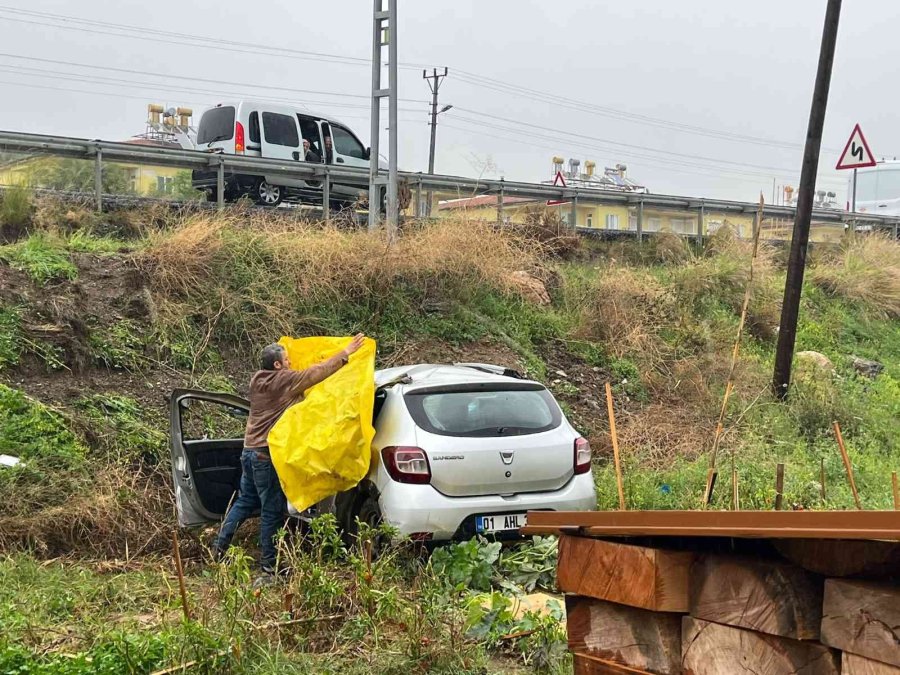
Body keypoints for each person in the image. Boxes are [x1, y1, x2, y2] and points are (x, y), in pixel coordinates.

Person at [213, 333, 366, 574]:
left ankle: (218, 550)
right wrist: (346, 352)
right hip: (265, 455)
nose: (290, 363)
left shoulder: (256, 381)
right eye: (286, 360)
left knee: (244, 502)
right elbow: (317, 372)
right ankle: (268, 568)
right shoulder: (283, 381)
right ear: (277, 366)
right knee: (271, 511)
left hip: (248, 452)